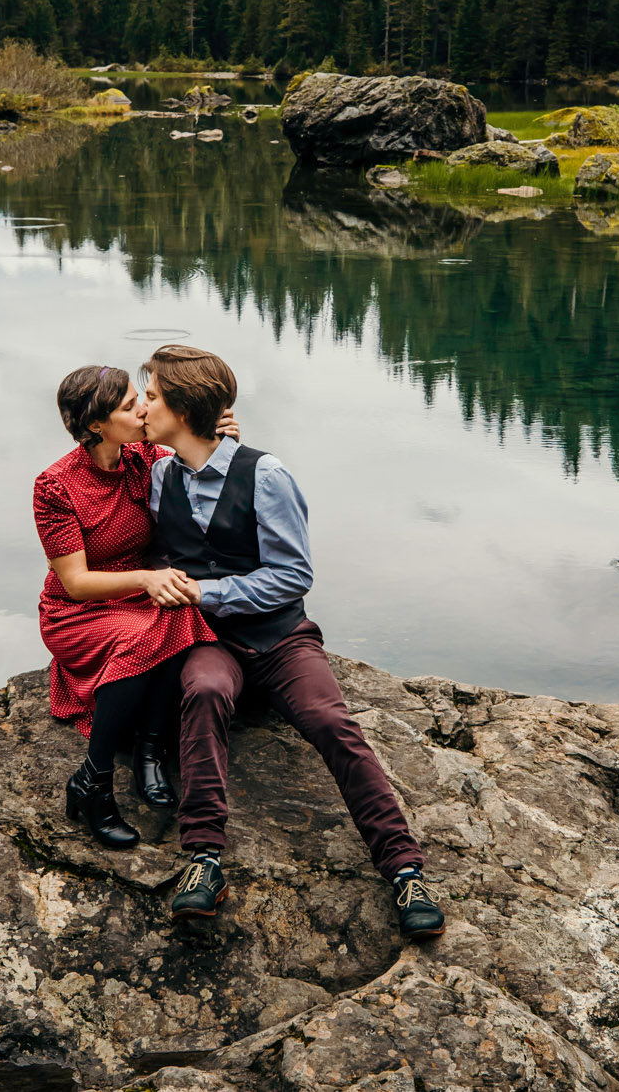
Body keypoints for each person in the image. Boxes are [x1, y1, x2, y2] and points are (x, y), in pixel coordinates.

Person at [135, 344, 446, 940]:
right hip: (210, 644)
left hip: (281, 640)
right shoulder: (157, 473)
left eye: (151, 395)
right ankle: (202, 860)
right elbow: (94, 450)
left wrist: (205, 593)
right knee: (201, 691)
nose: (143, 405)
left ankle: (405, 869)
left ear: (183, 407)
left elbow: (292, 575)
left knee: (332, 724)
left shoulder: (266, 475)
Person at [32, 364, 230, 850]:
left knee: (182, 610)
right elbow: (75, 583)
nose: (144, 408)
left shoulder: (143, 458)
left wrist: (217, 435)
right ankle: (94, 781)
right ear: (97, 424)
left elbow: (201, 466)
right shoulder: (55, 486)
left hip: (139, 598)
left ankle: (149, 751)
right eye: (129, 406)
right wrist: (145, 577)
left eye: (141, 397)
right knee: (143, 634)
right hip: (76, 612)